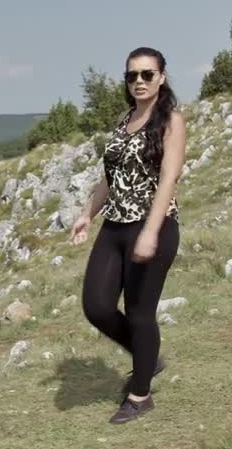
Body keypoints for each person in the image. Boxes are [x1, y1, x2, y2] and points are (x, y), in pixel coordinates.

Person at [69, 46, 186, 425]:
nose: (139, 81)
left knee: (139, 313)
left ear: (161, 77)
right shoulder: (125, 120)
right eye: (132, 75)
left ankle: (140, 395)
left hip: (153, 224)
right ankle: (147, 357)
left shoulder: (171, 120)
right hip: (115, 225)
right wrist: (87, 214)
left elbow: (169, 177)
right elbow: (110, 177)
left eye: (147, 74)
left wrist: (151, 231)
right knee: (97, 307)